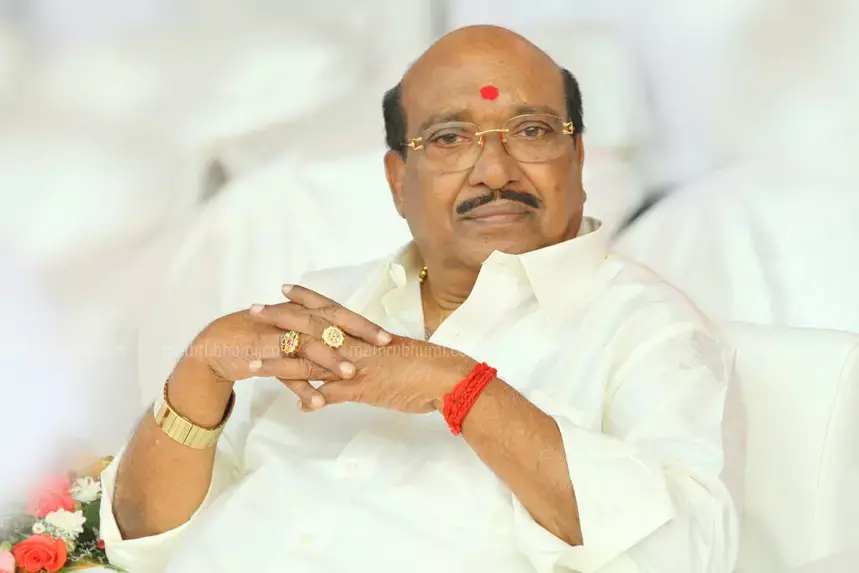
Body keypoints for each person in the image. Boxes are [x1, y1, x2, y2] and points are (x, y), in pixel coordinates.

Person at [99, 25, 739, 573]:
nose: (495, 171)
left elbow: (686, 553)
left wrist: (464, 391)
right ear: (398, 181)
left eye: (532, 130)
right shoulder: (325, 304)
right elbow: (144, 543)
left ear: (576, 158)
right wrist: (199, 375)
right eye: (450, 139)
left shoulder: (647, 329)